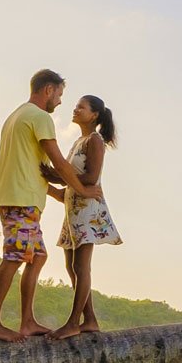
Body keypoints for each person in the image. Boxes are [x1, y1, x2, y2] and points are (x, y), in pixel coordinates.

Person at [0, 70, 90, 342]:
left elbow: (31, 166)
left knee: (37, 256)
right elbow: (58, 162)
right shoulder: (40, 117)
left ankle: (27, 322)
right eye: (60, 95)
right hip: (21, 200)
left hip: (20, 197)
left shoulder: (17, 115)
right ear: (48, 90)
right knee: (15, 256)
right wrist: (83, 189)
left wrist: (56, 194)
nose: (61, 102)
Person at [49, 93, 123, 339]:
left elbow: (91, 178)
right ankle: (89, 319)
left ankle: (73, 323)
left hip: (87, 209)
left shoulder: (95, 141)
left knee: (81, 266)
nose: (75, 109)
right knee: (72, 266)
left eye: (81, 107)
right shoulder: (78, 141)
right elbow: (68, 176)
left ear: (94, 115)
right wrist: (50, 176)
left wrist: (58, 175)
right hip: (73, 209)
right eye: (76, 106)